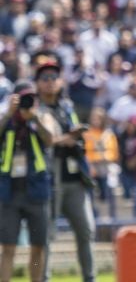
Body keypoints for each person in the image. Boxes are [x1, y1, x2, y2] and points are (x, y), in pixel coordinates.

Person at [35, 52, 95, 282]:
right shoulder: (36, 109)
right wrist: (65, 138)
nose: (50, 81)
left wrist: (75, 136)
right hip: (49, 178)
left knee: (86, 230)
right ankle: (41, 277)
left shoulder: (66, 106)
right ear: (38, 83)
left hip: (74, 177)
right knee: (44, 236)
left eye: (54, 76)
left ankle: (90, 277)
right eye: (45, 77)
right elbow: (47, 140)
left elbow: (70, 137)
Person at [0, 81, 57, 282]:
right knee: (7, 247)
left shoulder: (42, 116)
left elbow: (50, 140)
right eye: (23, 97)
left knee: (37, 247)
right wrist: (8, 113)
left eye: (31, 97)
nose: (27, 101)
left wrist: (35, 118)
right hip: (10, 192)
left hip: (36, 192)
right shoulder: (6, 118)